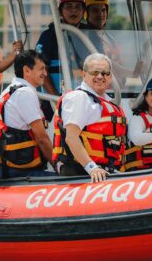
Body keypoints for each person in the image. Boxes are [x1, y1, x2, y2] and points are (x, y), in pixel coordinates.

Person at [52, 53, 126, 182]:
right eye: (94, 72)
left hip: (106, 172)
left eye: (104, 73)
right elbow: (71, 137)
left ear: (110, 77)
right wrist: (92, 168)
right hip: (81, 173)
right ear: (84, 74)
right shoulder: (79, 98)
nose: (99, 76)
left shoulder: (108, 103)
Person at [0, 50, 55, 179]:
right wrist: (58, 166)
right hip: (17, 171)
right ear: (27, 70)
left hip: (1, 168)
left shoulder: (8, 91)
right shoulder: (24, 93)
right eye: (41, 69)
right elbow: (41, 138)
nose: (45, 73)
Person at [35, 0, 85, 97]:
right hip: (54, 100)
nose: (74, 11)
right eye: (68, 6)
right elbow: (40, 70)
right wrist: (56, 98)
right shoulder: (48, 36)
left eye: (78, 7)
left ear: (83, 11)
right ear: (60, 11)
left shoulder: (87, 35)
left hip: (82, 98)